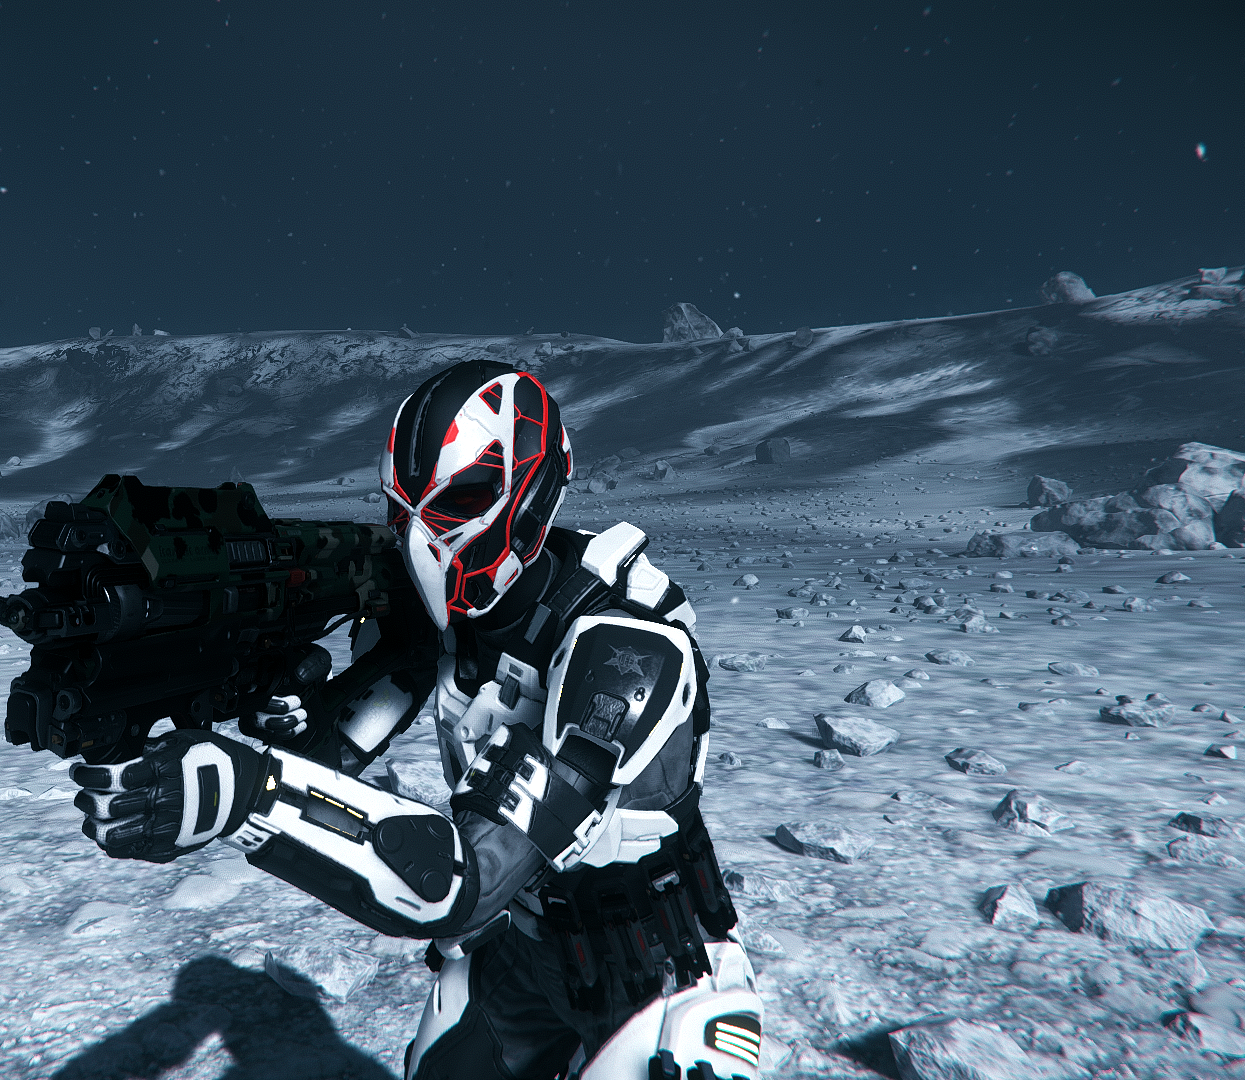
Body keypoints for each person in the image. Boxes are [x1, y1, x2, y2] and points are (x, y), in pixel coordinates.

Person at [73, 359, 764, 1080]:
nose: (420, 541)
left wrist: (246, 793)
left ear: (529, 491)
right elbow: (329, 760)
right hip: (518, 950)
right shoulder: (454, 626)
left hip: (659, 973)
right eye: (402, 512)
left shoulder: (627, 648)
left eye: (457, 501)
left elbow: (465, 880)